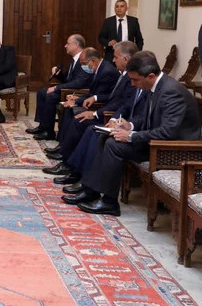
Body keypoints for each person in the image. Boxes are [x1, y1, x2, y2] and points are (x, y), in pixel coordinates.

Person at [63, 51, 201, 216]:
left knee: (114, 145)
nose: (133, 85)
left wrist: (131, 136)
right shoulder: (157, 85)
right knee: (105, 136)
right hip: (157, 143)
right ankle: (91, 190)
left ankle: (109, 202)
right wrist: (130, 125)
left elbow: (167, 131)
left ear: (150, 76)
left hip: (174, 150)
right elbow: (147, 116)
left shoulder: (172, 92)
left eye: (135, 80)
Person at [42, 41, 139, 180]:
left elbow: (122, 103)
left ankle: (71, 167)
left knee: (81, 121)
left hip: (110, 116)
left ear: (126, 59)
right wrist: (78, 99)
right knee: (77, 116)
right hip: (108, 112)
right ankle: (67, 159)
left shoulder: (121, 75)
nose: (112, 60)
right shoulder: (123, 74)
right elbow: (108, 97)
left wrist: (95, 113)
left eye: (115, 57)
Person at [50, 47, 119, 151]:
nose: (82, 66)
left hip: (102, 107)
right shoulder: (97, 69)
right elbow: (91, 92)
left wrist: (77, 101)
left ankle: (65, 149)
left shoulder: (107, 71)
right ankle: (62, 145)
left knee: (75, 115)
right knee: (69, 109)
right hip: (96, 103)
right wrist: (77, 99)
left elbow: (100, 95)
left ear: (93, 61)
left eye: (83, 63)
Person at [26, 34, 92, 140]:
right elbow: (67, 80)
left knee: (50, 96)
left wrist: (56, 88)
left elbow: (79, 83)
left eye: (68, 44)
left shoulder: (84, 59)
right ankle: (43, 126)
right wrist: (59, 74)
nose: (65, 46)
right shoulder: (74, 59)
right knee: (42, 92)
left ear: (76, 45)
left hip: (77, 92)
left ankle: (49, 132)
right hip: (68, 89)